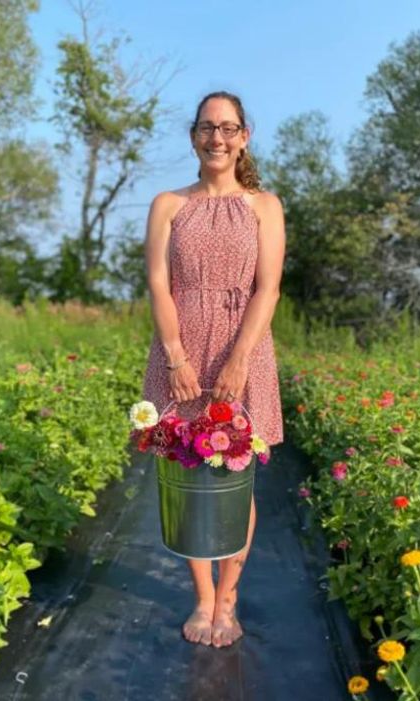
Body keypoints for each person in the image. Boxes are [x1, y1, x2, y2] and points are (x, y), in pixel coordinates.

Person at [140, 91, 286, 648]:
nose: (216, 137)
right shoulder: (168, 204)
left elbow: (267, 287)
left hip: (241, 345)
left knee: (234, 475)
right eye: (206, 127)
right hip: (181, 348)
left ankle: (228, 601)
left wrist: (240, 360)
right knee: (186, 470)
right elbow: (158, 282)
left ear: (243, 137)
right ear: (193, 136)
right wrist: (176, 355)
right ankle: (202, 599)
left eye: (228, 128)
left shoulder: (264, 206)